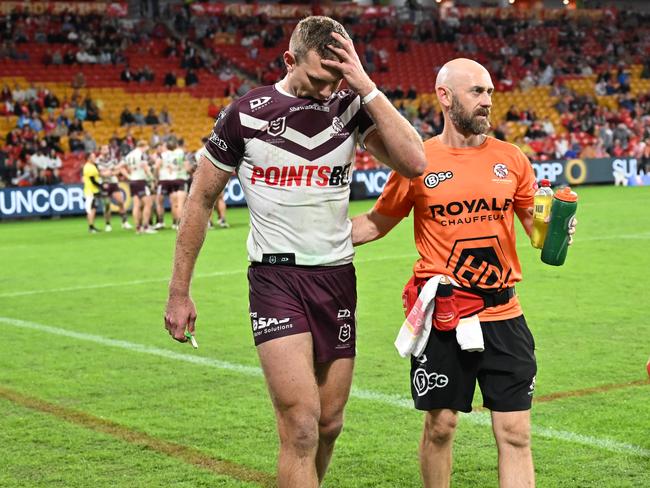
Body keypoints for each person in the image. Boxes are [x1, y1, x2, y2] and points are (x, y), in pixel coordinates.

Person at [164, 16, 426, 488]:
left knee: (329, 424)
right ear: (289, 60)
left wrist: (363, 83)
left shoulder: (349, 105)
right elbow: (200, 201)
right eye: (320, 78)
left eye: (337, 78)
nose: (329, 90)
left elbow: (415, 162)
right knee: (302, 425)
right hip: (276, 282)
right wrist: (178, 292)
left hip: (336, 277)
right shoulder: (246, 114)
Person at [351, 58, 576, 487]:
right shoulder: (418, 160)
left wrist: (560, 231)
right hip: (444, 318)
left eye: (490, 92)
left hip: (505, 316)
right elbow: (376, 223)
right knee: (441, 427)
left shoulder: (512, 159)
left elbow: (537, 234)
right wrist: (315, 239)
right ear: (445, 96)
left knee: (516, 432)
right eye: (477, 92)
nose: (487, 101)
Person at [82, 152, 103, 233]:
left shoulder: (91, 166)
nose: (95, 158)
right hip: (90, 191)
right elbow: (93, 180)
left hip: (93, 190)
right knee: (91, 209)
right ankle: (91, 227)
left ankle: (92, 226)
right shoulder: (88, 167)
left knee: (93, 209)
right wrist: (101, 186)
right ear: (89, 158)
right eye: (93, 157)